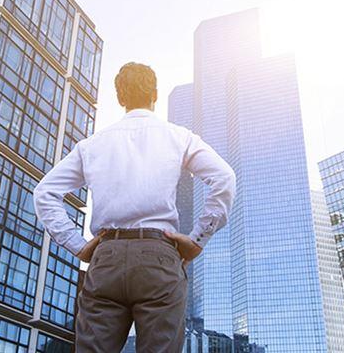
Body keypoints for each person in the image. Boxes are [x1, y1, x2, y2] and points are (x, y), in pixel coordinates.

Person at [33, 62, 236, 352]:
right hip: (159, 257)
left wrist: (78, 245)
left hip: (107, 258)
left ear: (120, 98)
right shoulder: (179, 137)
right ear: (154, 94)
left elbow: (44, 193)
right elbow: (224, 178)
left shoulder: (91, 145)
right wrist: (197, 240)